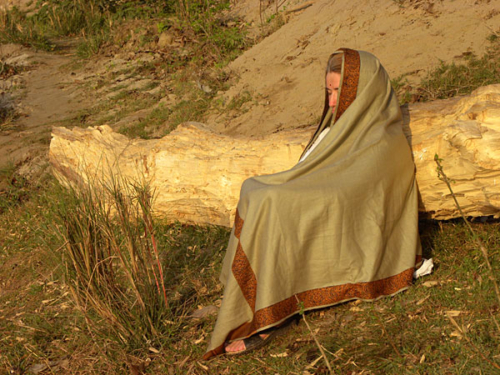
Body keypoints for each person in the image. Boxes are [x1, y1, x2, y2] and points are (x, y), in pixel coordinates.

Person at [203, 48, 422, 359]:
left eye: (337, 92)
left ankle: (269, 316)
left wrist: (302, 191)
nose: (331, 102)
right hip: (319, 191)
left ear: (362, 92)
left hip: (342, 207)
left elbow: (363, 189)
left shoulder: (384, 136)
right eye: (328, 92)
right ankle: (246, 296)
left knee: (271, 202)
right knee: (253, 188)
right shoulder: (342, 124)